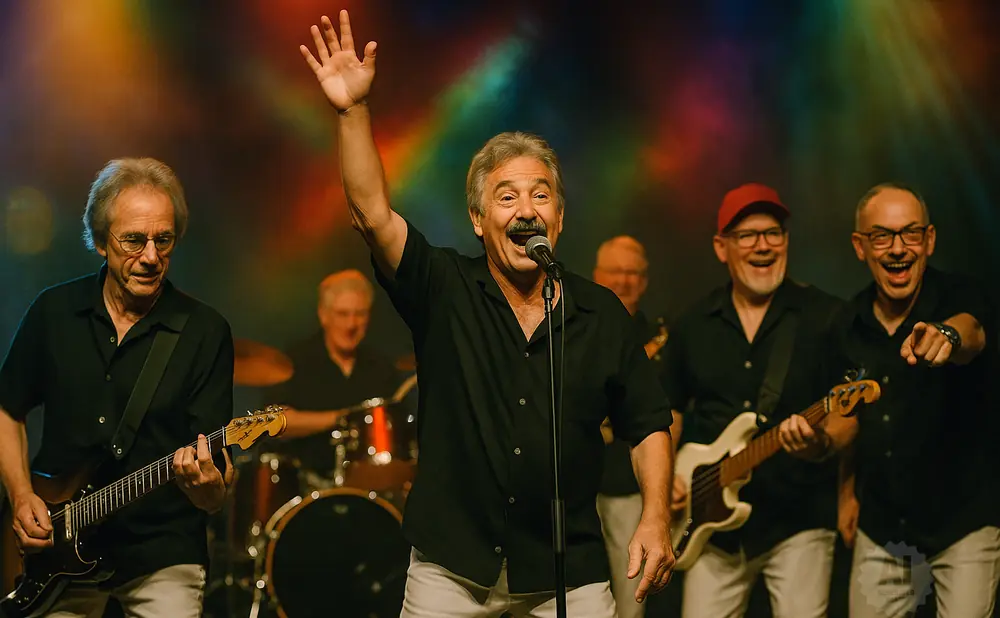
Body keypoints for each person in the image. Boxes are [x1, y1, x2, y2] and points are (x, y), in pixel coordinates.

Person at [299, 11, 675, 617]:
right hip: (452, 570)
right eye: (506, 196)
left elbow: (647, 422)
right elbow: (372, 215)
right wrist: (352, 113)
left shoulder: (600, 313)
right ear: (479, 221)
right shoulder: (444, 286)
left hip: (566, 573)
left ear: (559, 218)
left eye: (540, 194)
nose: (525, 210)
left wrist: (656, 516)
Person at [0, 158, 235, 617]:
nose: (150, 256)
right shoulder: (54, 313)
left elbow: (214, 488)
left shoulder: (205, 331)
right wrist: (21, 494)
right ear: (100, 241)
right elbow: (7, 409)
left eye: (163, 240)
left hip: (162, 550)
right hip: (56, 547)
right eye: (133, 240)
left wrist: (208, 488)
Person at [662, 183, 855, 618]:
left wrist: (821, 444)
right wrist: (665, 479)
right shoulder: (694, 323)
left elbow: (848, 413)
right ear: (721, 247)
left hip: (799, 523)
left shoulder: (826, 316)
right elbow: (668, 411)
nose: (762, 245)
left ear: (786, 242)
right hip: (711, 532)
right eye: (747, 235)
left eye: (772, 233)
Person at [837, 183, 1000, 618]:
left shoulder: (960, 294)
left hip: (961, 525)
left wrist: (947, 335)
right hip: (883, 529)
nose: (897, 248)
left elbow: (972, 332)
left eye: (910, 233)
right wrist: (846, 492)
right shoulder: (847, 325)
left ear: (929, 240)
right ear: (860, 246)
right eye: (881, 236)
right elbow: (849, 420)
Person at [263, 269, 404, 479]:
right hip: (305, 487)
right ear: (323, 314)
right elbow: (275, 422)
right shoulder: (294, 361)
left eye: (360, 314)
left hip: (369, 487)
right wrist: (344, 419)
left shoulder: (381, 367)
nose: (351, 324)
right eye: (343, 314)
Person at [593, 236, 666, 618]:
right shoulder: (575, 330)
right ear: (596, 276)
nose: (624, 280)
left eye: (632, 273)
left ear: (645, 280)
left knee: (629, 593)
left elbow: (669, 418)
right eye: (615, 272)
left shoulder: (660, 338)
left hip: (630, 488)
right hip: (577, 483)